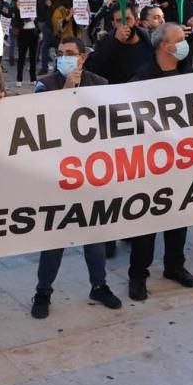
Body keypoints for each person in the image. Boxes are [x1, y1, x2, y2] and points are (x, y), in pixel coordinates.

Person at [30, 38, 122, 318]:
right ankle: (43, 291)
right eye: (60, 54)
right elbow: (40, 123)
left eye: (70, 54)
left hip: (90, 172)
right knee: (55, 239)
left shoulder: (101, 83)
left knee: (94, 236)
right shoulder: (45, 84)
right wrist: (67, 90)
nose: (65, 58)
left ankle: (99, 285)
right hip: (58, 173)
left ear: (83, 58)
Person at [126, 23, 193, 301]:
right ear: (164, 46)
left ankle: (174, 266)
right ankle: (137, 275)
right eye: (179, 40)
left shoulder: (187, 74)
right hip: (150, 164)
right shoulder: (142, 79)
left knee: (179, 217)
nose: (184, 44)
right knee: (147, 223)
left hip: (180, 160)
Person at [87, 2, 155, 84]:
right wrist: (114, 43)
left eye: (128, 19)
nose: (124, 24)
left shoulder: (151, 41)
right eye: (119, 21)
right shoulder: (104, 43)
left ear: (136, 21)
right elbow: (94, 70)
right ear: (113, 24)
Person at [12, 0, 41, 86]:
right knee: (21, 57)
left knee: (33, 57)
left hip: (33, 33)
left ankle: (33, 79)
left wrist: (40, 32)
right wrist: (18, 9)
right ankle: (19, 79)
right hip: (23, 33)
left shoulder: (34, 7)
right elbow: (17, 21)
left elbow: (36, 21)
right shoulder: (17, 9)